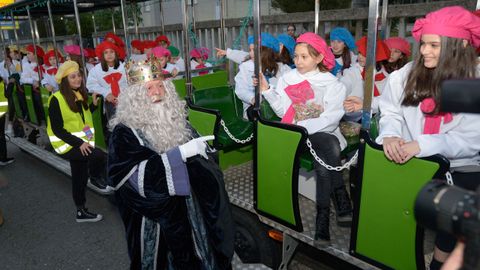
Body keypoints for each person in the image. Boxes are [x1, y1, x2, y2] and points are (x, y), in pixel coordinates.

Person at [375, 6, 480, 270]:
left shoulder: (474, 81)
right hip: (409, 156)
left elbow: (471, 139)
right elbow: (390, 110)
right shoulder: (407, 73)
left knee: (455, 208)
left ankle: (439, 260)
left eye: (434, 45)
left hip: (459, 165)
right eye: (423, 44)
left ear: (461, 44)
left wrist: (422, 144)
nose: (424, 51)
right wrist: (389, 135)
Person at [107, 56, 234, 269]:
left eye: (160, 86)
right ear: (135, 97)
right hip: (156, 225)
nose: (157, 92)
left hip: (191, 211)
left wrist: (206, 159)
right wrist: (179, 155)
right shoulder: (124, 132)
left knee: (199, 254)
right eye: (148, 88)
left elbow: (203, 165)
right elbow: (132, 181)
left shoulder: (177, 120)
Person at [259, 32, 352, 243]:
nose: (297, 62)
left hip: (321, 132)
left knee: (326, 152)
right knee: (330, 149)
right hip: (296, 135)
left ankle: (323, 217)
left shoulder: (332, 83)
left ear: (319, 58)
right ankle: (340, 197)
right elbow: (284, 111)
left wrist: (302, 126)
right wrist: (267, 91)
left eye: (304, 57)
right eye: (296, 56)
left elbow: (331, 119)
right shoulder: (287, 78)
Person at [47, 60, 107, 222]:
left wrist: (93, 106)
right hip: (67, 145)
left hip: (80, 143)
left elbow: (82, 119)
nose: (77, 79)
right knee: (98, 156)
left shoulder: (80, 94)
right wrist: (80, 143)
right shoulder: (56, 99)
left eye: (79, 76)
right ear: (65, 80)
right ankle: (94, 178)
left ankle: (81, 211)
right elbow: (58, 129)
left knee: (79, 176)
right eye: (72, 77)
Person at [235, 32, 291, 119]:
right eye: (250, 50)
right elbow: (240, 90)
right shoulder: (246, 67)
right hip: (256, 110)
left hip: (279, 109)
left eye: (254, 50)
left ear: (266, 51)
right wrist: (253, 99)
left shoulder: (283, 69)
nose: (251, 54)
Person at [341, 36, 390, 120]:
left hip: (377, 116)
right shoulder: (353, 72)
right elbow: (343, 86)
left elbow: (386, 100)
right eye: (360, 53)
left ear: (376, 56)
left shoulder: (384, 75)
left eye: (365, 54)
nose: (360, 57)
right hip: (353, 116)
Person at [86, 41, 127, 122]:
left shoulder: (124, 66)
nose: (109, 55)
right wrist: (106, 93)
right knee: (114, 125)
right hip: (109, 104)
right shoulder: (95, 70)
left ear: (116, 53)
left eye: (112, 52)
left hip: (126, 101)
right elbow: (91, 85)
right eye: (106, 52)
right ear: (102, 55)